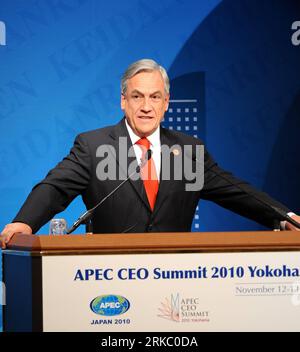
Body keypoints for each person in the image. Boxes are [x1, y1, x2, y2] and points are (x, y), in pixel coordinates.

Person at [1, 59, 299, 248]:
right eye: (137, 96)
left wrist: (284, 217)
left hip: (176, 275)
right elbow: (55, 187)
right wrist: (25, 222)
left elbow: (236, 192)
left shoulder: (188, 151)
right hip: (108, 276)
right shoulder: (93, 146)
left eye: (155, 97)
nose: (146, 106)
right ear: (123, 101)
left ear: (166, 103)